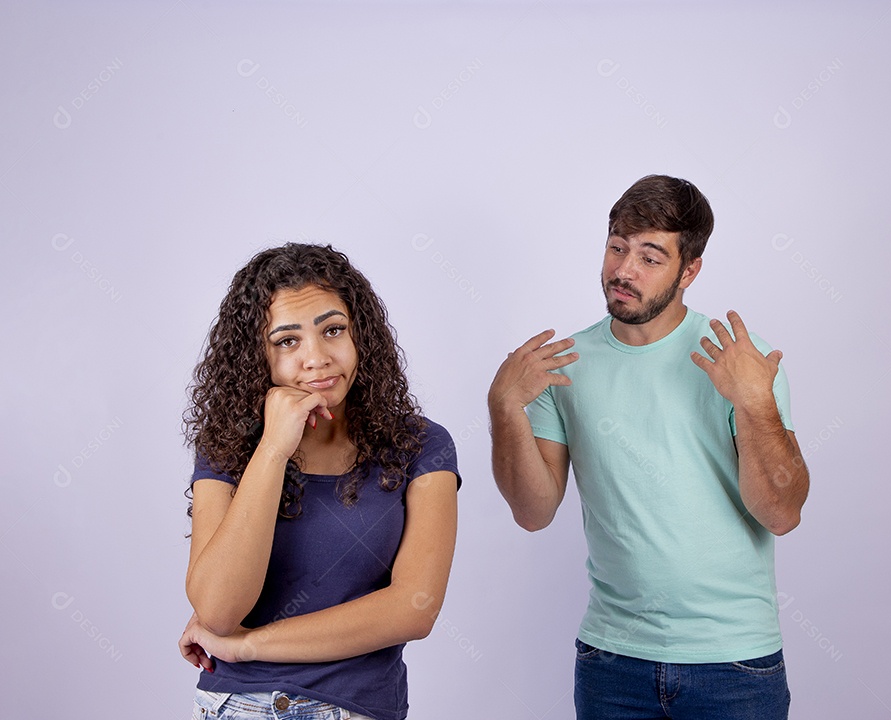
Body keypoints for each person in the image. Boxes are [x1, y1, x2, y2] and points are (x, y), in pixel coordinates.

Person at [488, 175, 809, 719]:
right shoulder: (563, 366)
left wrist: (755, 403)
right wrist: (503, 408)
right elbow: (532, 511)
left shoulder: (742, 360)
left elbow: (781, 513)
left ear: (690, 270)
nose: (624, 270)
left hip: (734, 664)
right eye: (617, 248)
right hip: (611, 661)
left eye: (650, 257)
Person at [179, 243, 459, 720]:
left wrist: (250, 645)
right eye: (288, 341)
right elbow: (218, 610)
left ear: (361, 337)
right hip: (237, 705)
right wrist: (272, 449)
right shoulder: (229, 447)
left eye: (333, 330)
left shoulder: (420, 445)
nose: (317, 358)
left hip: (353, 707)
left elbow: (414, 609)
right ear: (257, 356)